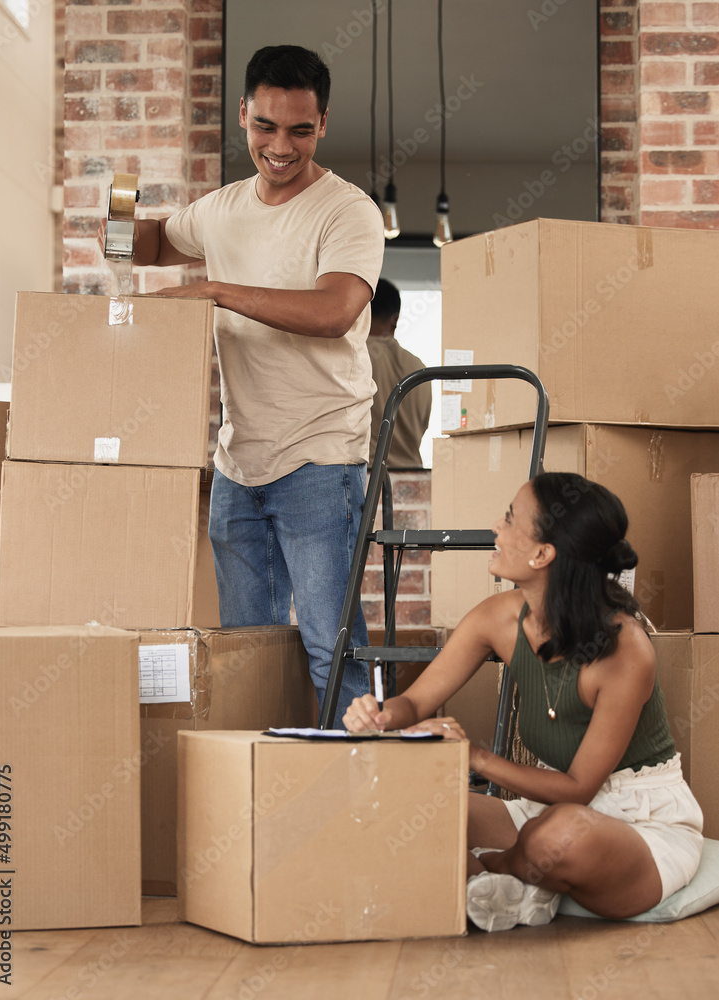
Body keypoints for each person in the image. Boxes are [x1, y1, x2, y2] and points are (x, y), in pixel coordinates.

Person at [99, 45, 385, 726]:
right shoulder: (220, 211)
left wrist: (216, 290)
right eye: (265, 127)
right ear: (242, 116)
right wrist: (112, 207)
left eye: (299, 130)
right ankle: (257, 790)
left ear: (323, 125)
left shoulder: (346, 212)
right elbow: (146, 245)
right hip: (239, 463)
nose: (279, 147)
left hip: (321, 455)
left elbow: (333, 311)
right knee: (243, 649)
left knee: (330, 647)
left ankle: (367, 803)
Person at [344, 472, 704, 931]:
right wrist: (379, 716)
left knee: (559, 837)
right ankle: (515, 880)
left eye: (511, 519)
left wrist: (471, 756)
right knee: (405, 805)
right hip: (543, 812)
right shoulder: (498, 617)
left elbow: (579, 790)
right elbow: (414, 703)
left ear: (542, 554)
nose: (497, 525)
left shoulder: (624, 650)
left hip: (638, 823)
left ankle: (495, 871)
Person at [367, 278, 431, 468]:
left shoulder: (355, 359)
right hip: (414, 481)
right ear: (395, 319)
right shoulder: (419, 367)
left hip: (368, 482)